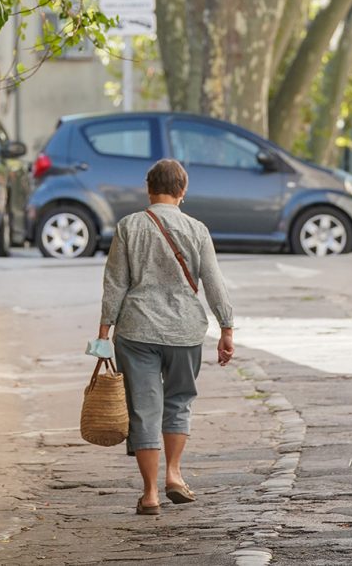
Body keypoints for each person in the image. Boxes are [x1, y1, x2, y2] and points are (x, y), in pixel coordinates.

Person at [97, 158, 234, 516]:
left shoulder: (129, 227)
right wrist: (227, 327)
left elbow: (115, 283)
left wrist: (103, 332)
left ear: (148, 188)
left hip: (136, 330)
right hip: (185, 333)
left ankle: (149, 494)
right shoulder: (197, 229)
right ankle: (174, 474)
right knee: (178, 402)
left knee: (144, 410)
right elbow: (213, 281)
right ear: (182, 190)